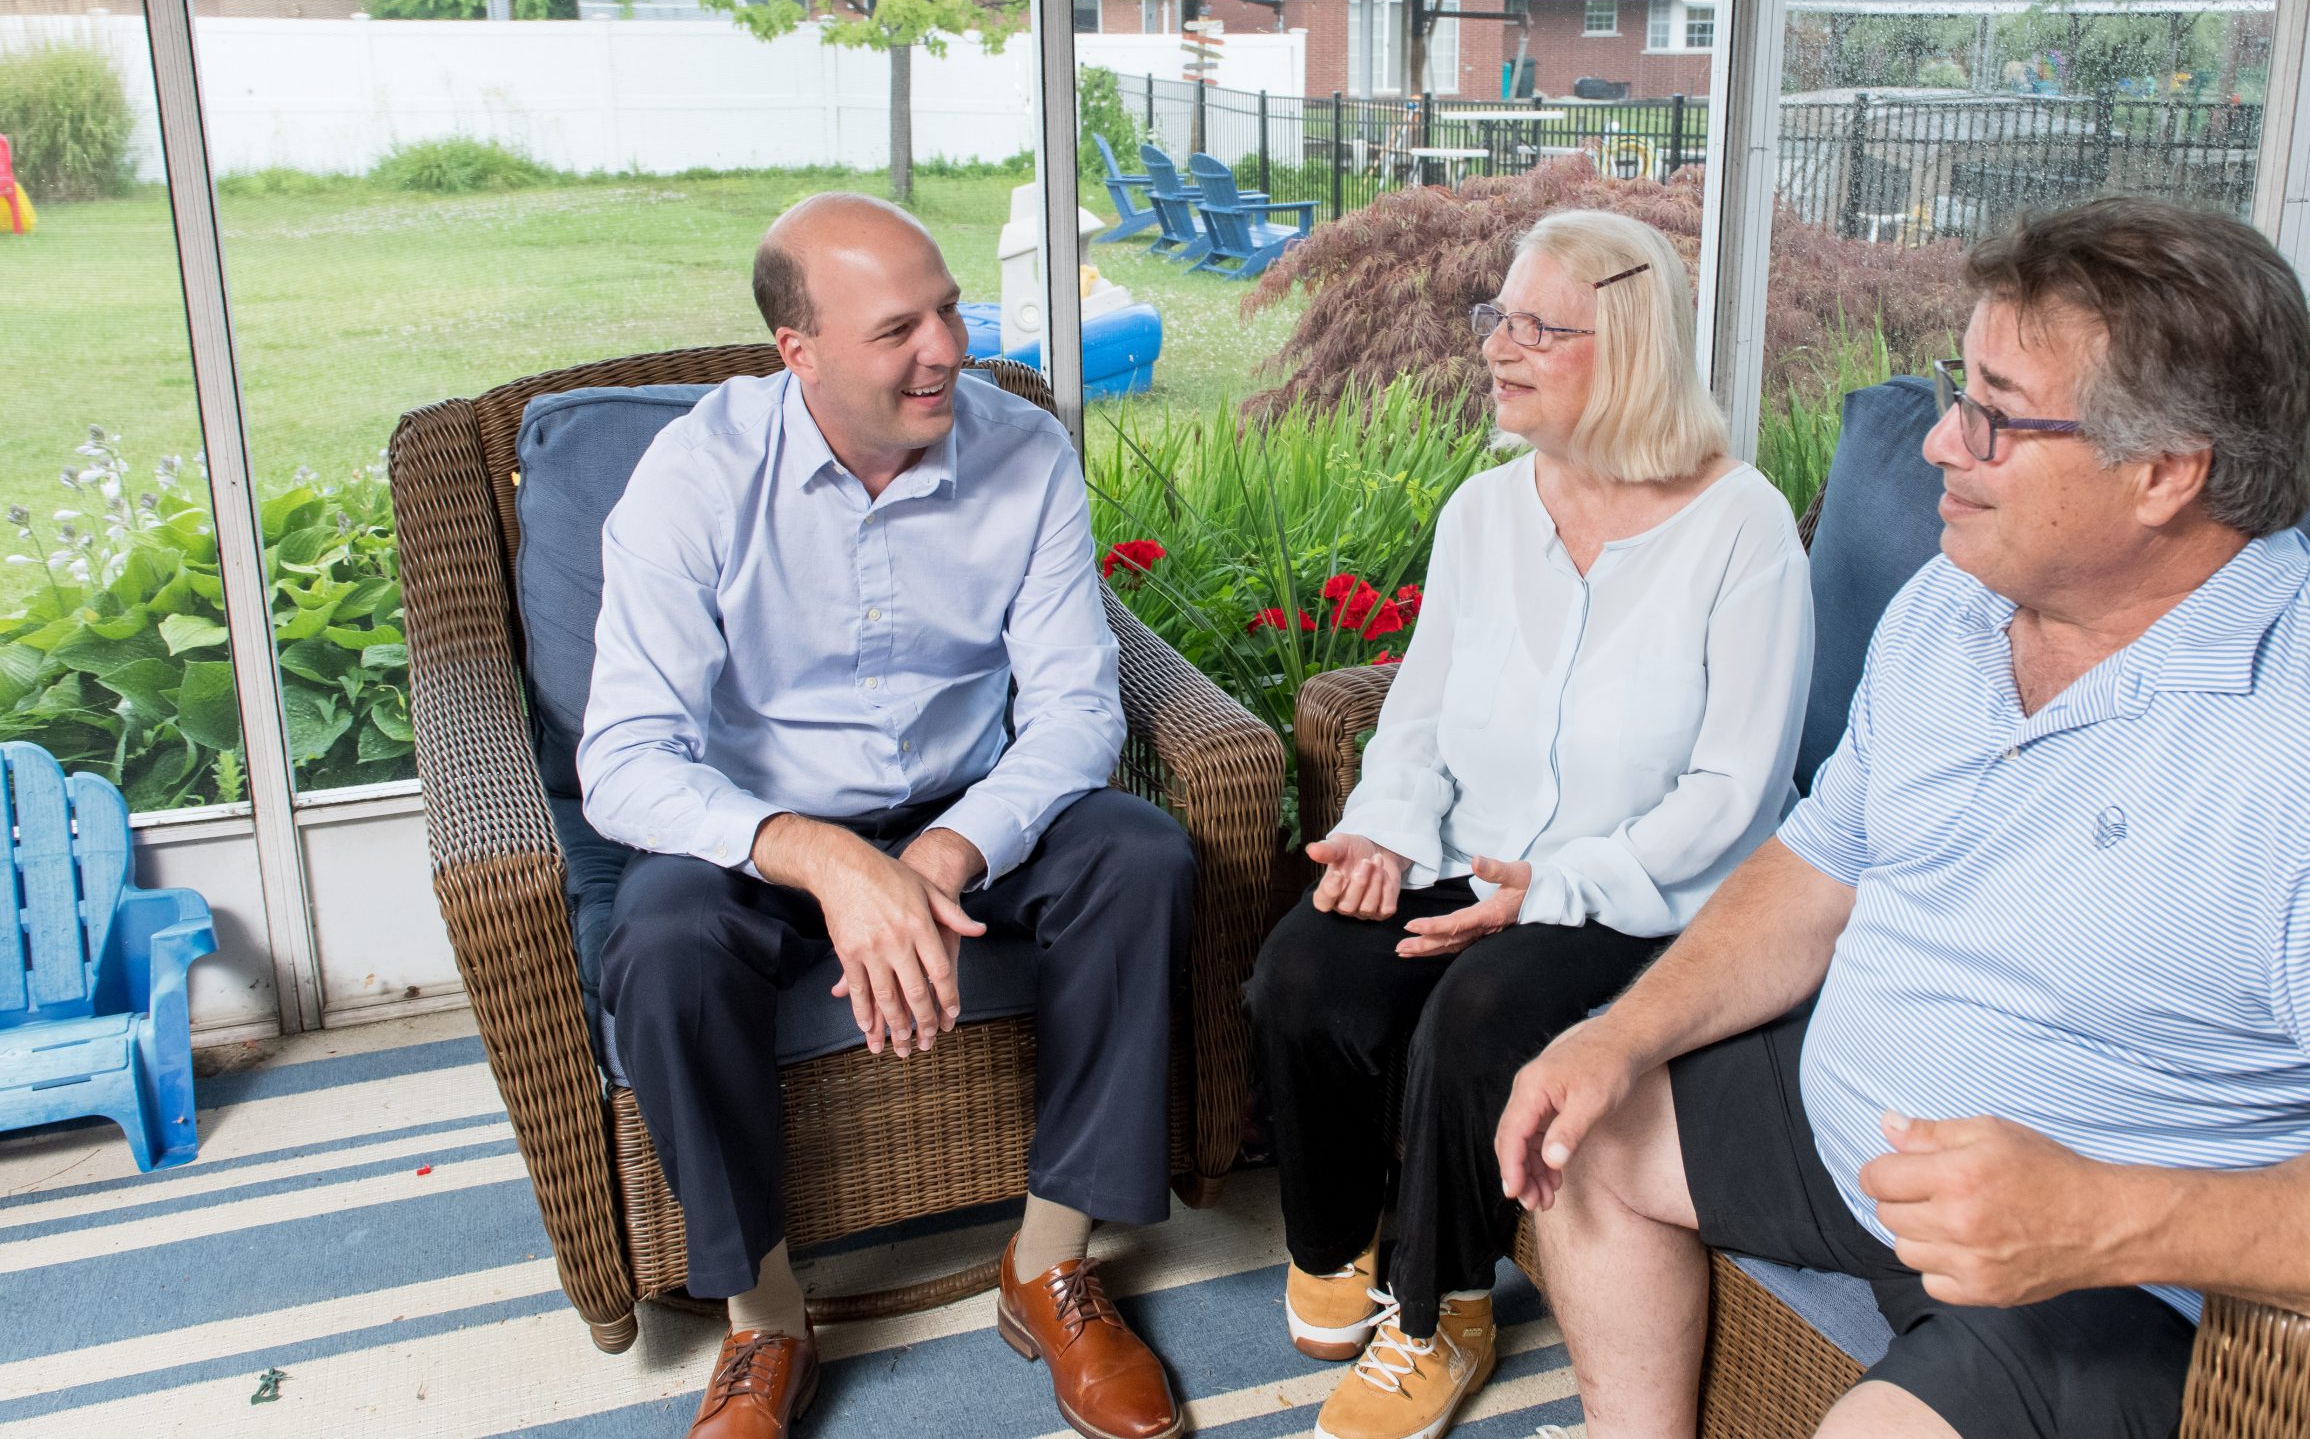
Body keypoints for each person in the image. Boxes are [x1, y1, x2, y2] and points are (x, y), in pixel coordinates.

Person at [1495, 196, 2310, 1439]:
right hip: (1867, 1133)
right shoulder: (1956, 601)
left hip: (2114, 1270)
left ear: (2165, 472)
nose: (1943, 442)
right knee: (1569, 1128)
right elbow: (1820, 861)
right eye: (1961, 388)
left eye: (1996, 415)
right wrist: (1620, 1035)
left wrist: (2100, 1212)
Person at [580, 194, 1195, 1439]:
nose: (951, 349)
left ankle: (1051, 1260)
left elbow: (1079, 708)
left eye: (953, 308)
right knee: (657, 937)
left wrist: (942, 851)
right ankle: (765, 1320)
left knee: (1139, 852)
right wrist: (824, 858)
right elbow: (626, 756)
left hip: (966, 810)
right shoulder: (695, 476)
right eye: (899, 328)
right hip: (760, 827)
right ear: (795, 348)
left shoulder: (1024, 453)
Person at [1249, 209, 1815, 1439]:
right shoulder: (1484, 513)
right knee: (1303, 965)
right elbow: (1416, 710)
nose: (1496, 348)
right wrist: (1387, 831)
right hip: (1463, 853)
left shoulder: (1740, 525)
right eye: (1493, 318)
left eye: (1536, 329)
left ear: (1631, 349)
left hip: (1641, 889)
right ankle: (1337, 1240)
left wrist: (1554, 886)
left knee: (1488, 1006)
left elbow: (1737, 789)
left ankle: (1442, 1304)